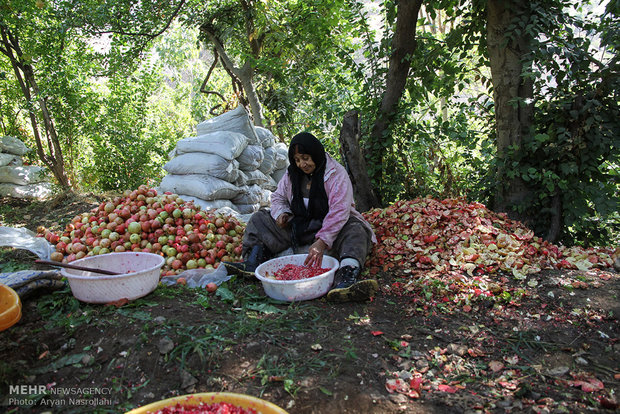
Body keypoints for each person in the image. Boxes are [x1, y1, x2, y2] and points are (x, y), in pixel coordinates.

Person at [224, 132, 379, 302]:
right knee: (260, 218)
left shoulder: (336, 174)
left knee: (356, 229)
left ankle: (346, 277)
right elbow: (277, 197)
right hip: (301, 225)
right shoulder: (292, 175)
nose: (302, 164)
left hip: (329, 227)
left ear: (315, 154)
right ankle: (254, 262)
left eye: (306, 158)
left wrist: (322, 242)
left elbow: (339, 211)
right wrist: (282, 212)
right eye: (297, 160)